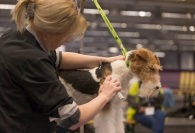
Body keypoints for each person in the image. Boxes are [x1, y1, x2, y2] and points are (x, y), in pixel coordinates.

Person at [0, 0, 124, 133]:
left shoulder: (14, 38)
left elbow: (59, 58)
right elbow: (72, 118)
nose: (66, 40)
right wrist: (105, 95)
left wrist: (104, 60)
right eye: (67, 36)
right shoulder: (34, 60)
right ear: (52, 31)